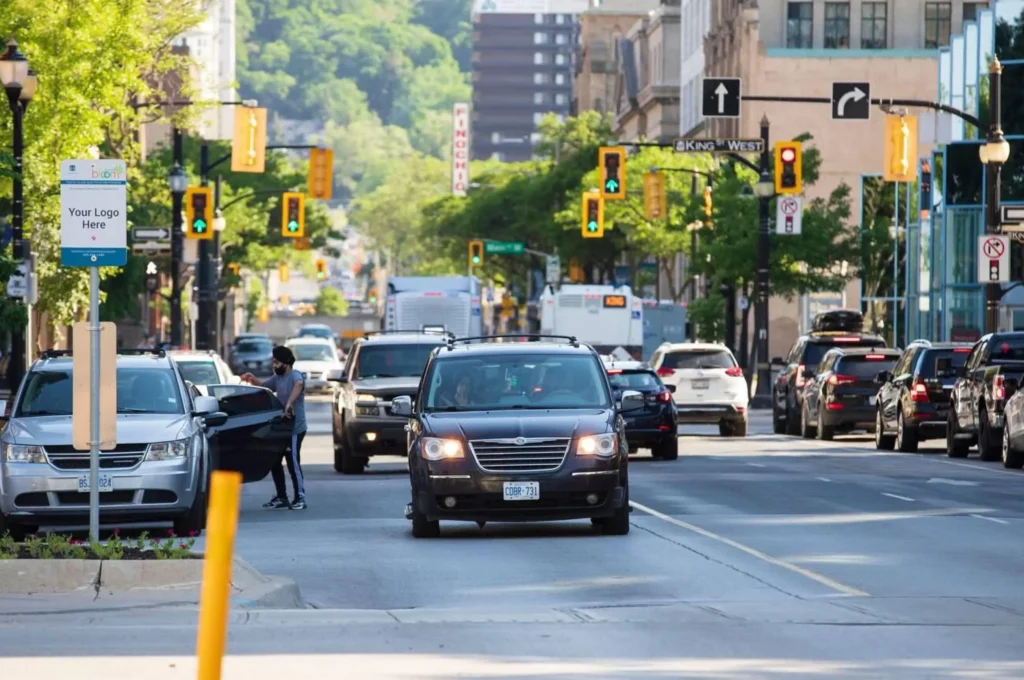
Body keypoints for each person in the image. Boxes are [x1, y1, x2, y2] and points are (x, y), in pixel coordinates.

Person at [241, 345, 308, 510]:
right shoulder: (278, 377)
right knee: (275, 460)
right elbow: (266, 387)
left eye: (276, 362)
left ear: (286, 362)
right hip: (281, 427)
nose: (274, 365)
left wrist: (290, 404)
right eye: (273, 362)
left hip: (295, 428)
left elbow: (299, 385)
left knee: (293, 462)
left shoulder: (294, 375)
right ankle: (281, 497)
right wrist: (252, 379)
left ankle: (300, 497)